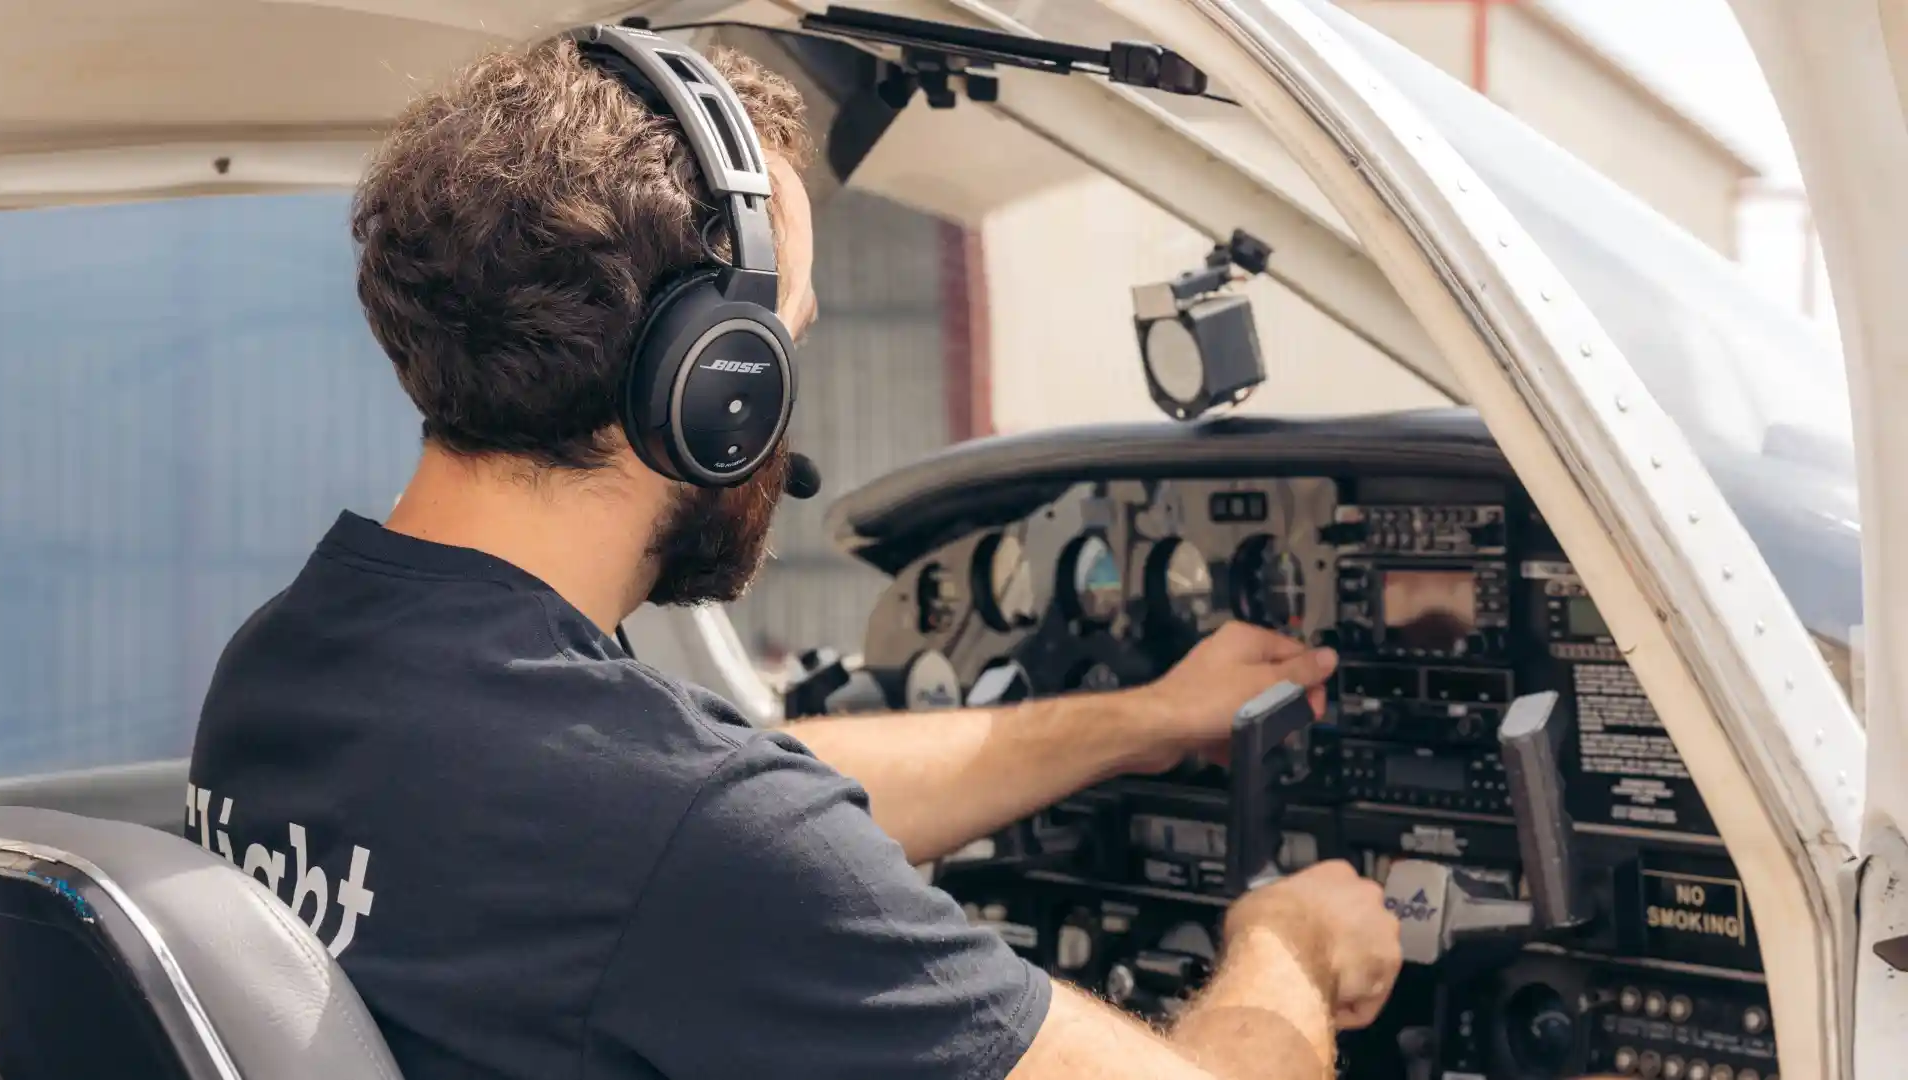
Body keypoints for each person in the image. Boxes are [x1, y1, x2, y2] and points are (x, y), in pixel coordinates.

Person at [183, 33, 1402, 1080]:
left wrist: (1142, 719)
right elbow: (723, 825)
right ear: (717, 388)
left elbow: (745, 790)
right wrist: (1289, 946)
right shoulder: (687, 836)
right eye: (789, 342)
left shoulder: (292, 665)